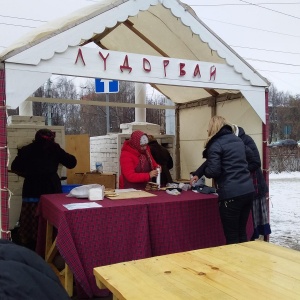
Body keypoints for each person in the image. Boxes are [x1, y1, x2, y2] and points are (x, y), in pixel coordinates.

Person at [190, 116, 254, 244]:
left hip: (231, 195)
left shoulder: (215, 144)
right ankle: (244, 262)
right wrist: (199, 172)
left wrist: (206, 173)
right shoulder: (237, 140)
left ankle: (234, 263)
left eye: (208, 128)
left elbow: (214, 171)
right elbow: (251, 156)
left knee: (232, 237)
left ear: (213, 128)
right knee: (241, 233)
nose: (207, 130)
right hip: (247, 191)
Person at [11, 129, 77, 250]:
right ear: (51, 138)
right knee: (50, 217)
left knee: (31, 220)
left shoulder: (27, 149)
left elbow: (14, 166)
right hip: (50, 189)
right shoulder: (54, 149)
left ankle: (31, 245)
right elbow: (72, 163)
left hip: (31, 188)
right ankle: (50, 246)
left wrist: (26, 173)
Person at [232, 125, 271, 240]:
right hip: (242, 184)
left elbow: (256, 162)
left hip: (254, 183)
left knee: (254, 217)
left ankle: (254, 238)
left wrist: (239, 169)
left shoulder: (246, 140)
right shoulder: (232, 142)